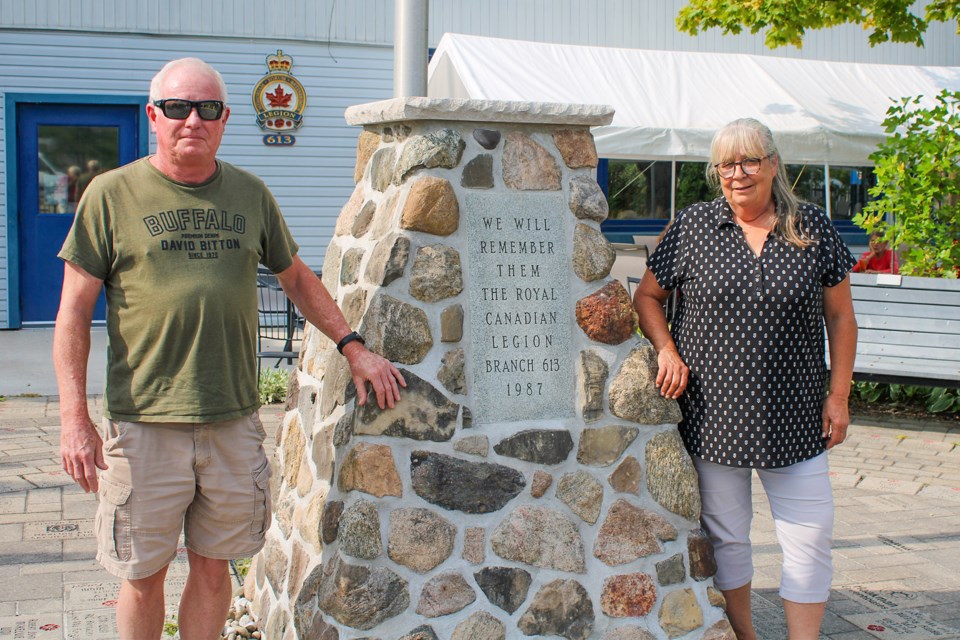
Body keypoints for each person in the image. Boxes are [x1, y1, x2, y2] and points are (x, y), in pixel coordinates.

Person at [54, 58, 406, 640]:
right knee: (142, 573)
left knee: (215, 569)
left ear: (224, 119)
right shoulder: (110, 196)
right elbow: (72, 313)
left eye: (207, 108)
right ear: (153, 115)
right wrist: (74, 418)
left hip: (232, 421)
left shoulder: (249, 194)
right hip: (144, 424)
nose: (192, 119)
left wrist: (352, 346)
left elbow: (295, 278)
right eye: (177, 107)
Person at [633, 118, 858, 640]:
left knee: (810, 536)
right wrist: (666, 350)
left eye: (749, 161)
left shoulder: (812, 227)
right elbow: (647, 297)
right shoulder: (692, 226)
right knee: (729, 539)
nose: (738, 173)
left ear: (773, 164)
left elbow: (841, 318)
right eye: (727, 164)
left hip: (797, 416)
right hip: (714, 416)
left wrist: (839, 395)